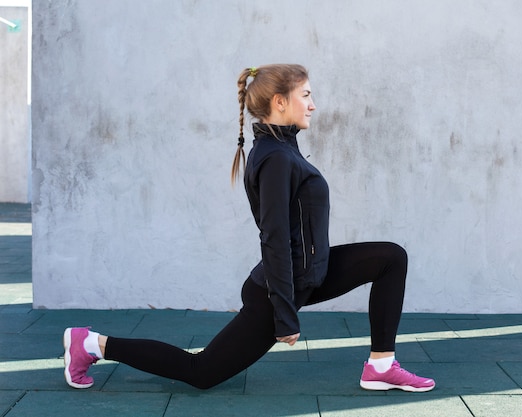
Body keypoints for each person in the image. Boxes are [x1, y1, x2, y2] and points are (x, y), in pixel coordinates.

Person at [63, 64, 435, 393]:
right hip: (277, 291)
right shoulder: (274, 158)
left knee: (389, 258)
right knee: (201, 371)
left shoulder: (282, 149)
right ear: (279, 101)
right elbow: (273, 236)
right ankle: (93, 345)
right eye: (305, 95)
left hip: (308, 275)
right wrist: (285, 313)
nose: (313, 104)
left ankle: (381, 366)